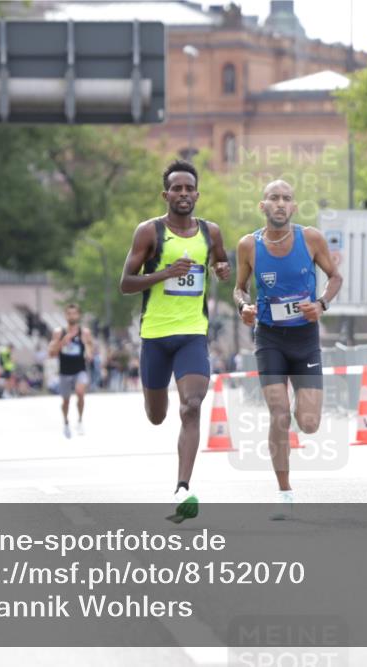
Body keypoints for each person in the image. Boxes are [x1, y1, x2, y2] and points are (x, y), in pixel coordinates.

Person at [119, 159, 230, 522]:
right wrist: (165, 273)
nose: (183, 194)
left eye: (189, 189)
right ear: (166, 194)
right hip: (155, 336)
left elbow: (221, 265)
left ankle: (183, 487)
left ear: (197, 194)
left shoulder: (211, 233)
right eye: (176, 189)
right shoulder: (149, 232)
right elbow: (126, 283)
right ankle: (158, 404)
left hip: (192, 334)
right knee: (156, 416)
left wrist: (222, 270)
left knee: (192, 406)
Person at [233, 179, 342, 519]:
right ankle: (284, 491)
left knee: (308, 423)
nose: (280, 203)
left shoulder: (310, 239)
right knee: (279, 414)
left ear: (294, 207)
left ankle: (300, 402)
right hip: (270, 338)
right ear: (262, 206)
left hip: (305, 338)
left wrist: (322, 304)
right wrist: (244, 308)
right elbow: (239, 289)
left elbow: (335, 277)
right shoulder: (248, 246)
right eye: (273, 198)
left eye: (286, 199)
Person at [48, 304, 95, 439]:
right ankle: (66, 423)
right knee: (66, 401)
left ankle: (80, 420)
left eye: (74, 313)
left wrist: (88, 351)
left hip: (80, 369)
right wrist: (62, 342)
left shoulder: (84, 332)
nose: (72, 316)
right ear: (65, 315)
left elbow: (90, 349)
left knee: (80, 393)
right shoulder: (58, 332)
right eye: (69, 313)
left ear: (78, 315)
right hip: (65, 371)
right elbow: (51, 353)